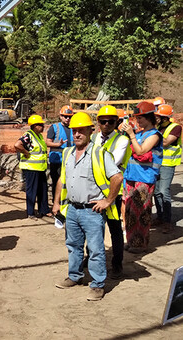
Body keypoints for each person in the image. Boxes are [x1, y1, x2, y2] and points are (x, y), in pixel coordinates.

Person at [52, 112, 123, 301]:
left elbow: (117, 177)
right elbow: (62, 179)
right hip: (73, 210)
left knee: (95, 249)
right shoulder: (67, 152)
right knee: (73, 246)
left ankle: (98, 284)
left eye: (81, 131)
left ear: (90, 131)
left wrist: (107, 201)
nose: (76, 134)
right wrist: (57, 202)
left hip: (92, 211)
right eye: (74, 131)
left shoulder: (99, 153)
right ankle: (74, 276)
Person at [90, 105, 131, 278]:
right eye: (103, 121)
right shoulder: (93, 137)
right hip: (94, 189)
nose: (107, 124)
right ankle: (89, 258)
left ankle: (117, 264)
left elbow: (113, 162)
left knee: (114, 229)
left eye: (111, 121)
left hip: (113, 191)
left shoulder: (122, 140)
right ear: (98, 122)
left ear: (117, 122)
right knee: (92, 228)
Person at [119, 101, 163, 253]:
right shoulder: (140, 134)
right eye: (137, 118)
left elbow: (141, 151)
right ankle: (132, 241)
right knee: (130, 212)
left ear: (150, 118)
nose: (138, 121)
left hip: (144, 178)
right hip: (131, 176)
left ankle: (140, 244)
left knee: (141, 212)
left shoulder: (155, 135)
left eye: (141, 118)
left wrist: (131, 134)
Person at [15, 114, 50, 220]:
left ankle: (43, 210)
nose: (42, 126)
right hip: (31, 167)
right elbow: (17, 145)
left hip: (40, 168)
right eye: (40, 125)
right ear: (34, 126)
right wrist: (26, 152)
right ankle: (30, 213)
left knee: (42, 189)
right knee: (32, 190)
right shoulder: (28, 135)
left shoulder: (38, 136)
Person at [154, 104, 180, 233]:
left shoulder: (175, 128)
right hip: (156, 163)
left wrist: (152, 136)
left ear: (165, 118)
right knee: (156, 192)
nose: (156, 118)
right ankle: (160, 216)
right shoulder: (158, 128)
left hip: (167, 164)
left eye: (158, 116)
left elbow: (165, 142)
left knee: (164, 191)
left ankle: (167, 221)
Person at [46, 105, 75, 199]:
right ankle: (56, 203)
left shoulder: (74, 128)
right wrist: (58, 144)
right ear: (60, 116)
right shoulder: (54, 127)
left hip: (70, 160)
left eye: (70, 117)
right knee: (57, 183)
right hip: (57, 161)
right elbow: (47, 142)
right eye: (65, 116)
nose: (67, 119)